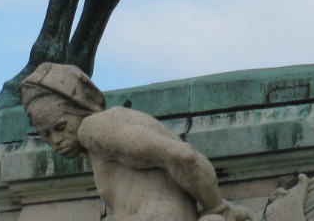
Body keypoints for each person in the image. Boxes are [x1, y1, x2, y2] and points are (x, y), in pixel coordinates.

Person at [22, 63, 253, 221]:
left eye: (61, 127)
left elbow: (183, 156)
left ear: (80, 108)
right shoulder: (105, 137)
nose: (56, 141)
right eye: (46, 134)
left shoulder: (94, 128)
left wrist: (219, 208)